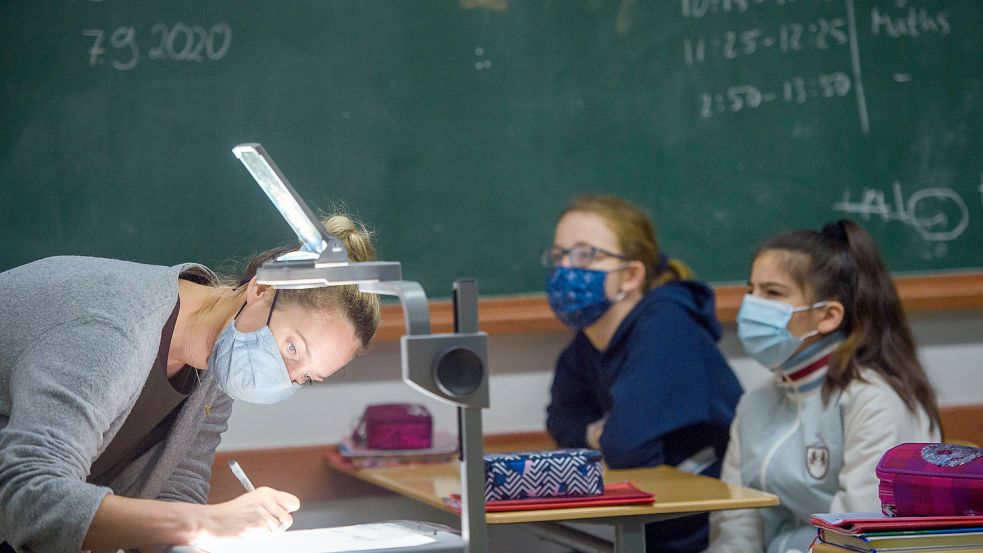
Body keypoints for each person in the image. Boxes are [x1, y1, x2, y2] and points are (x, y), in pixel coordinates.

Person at [0, 214, 380, 553]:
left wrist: (199, 538)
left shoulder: (217, 367)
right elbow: (28, 497)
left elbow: (175, 490)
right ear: (262, 289)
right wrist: (208, 523)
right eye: (292, 348)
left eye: (306, 378)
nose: (286, 376)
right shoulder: (117, 331)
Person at [704, 220, 941, 553]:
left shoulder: (874, 400)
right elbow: (736, 525)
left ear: (828, 316)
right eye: (750, 290)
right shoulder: (756, 403)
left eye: (772, 293)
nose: (752, 306)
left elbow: (857, 537)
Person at [544, 195, 743, 553]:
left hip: (703, 529)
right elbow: (560, 421)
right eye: (559, 255)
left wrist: (603, 438)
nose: (565, 269)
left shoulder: (667, 323)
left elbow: (626, 448)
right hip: (645, 520)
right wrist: (595, 434)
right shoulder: (588, 339)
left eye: (585, 255)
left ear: (632, 275)